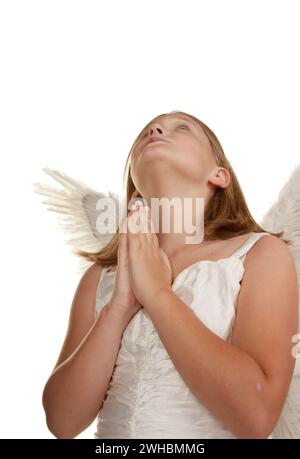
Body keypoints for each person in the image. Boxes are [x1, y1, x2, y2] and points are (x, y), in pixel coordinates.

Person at [41, 110, 298, 439]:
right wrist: (119, 306)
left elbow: (256, 417)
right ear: (135, 186)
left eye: (183, 127)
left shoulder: (260, 255)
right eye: (146, 131)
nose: (156, 129)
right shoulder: (99, 277)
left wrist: (158, 295)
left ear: (219, 175)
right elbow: (62, 422)